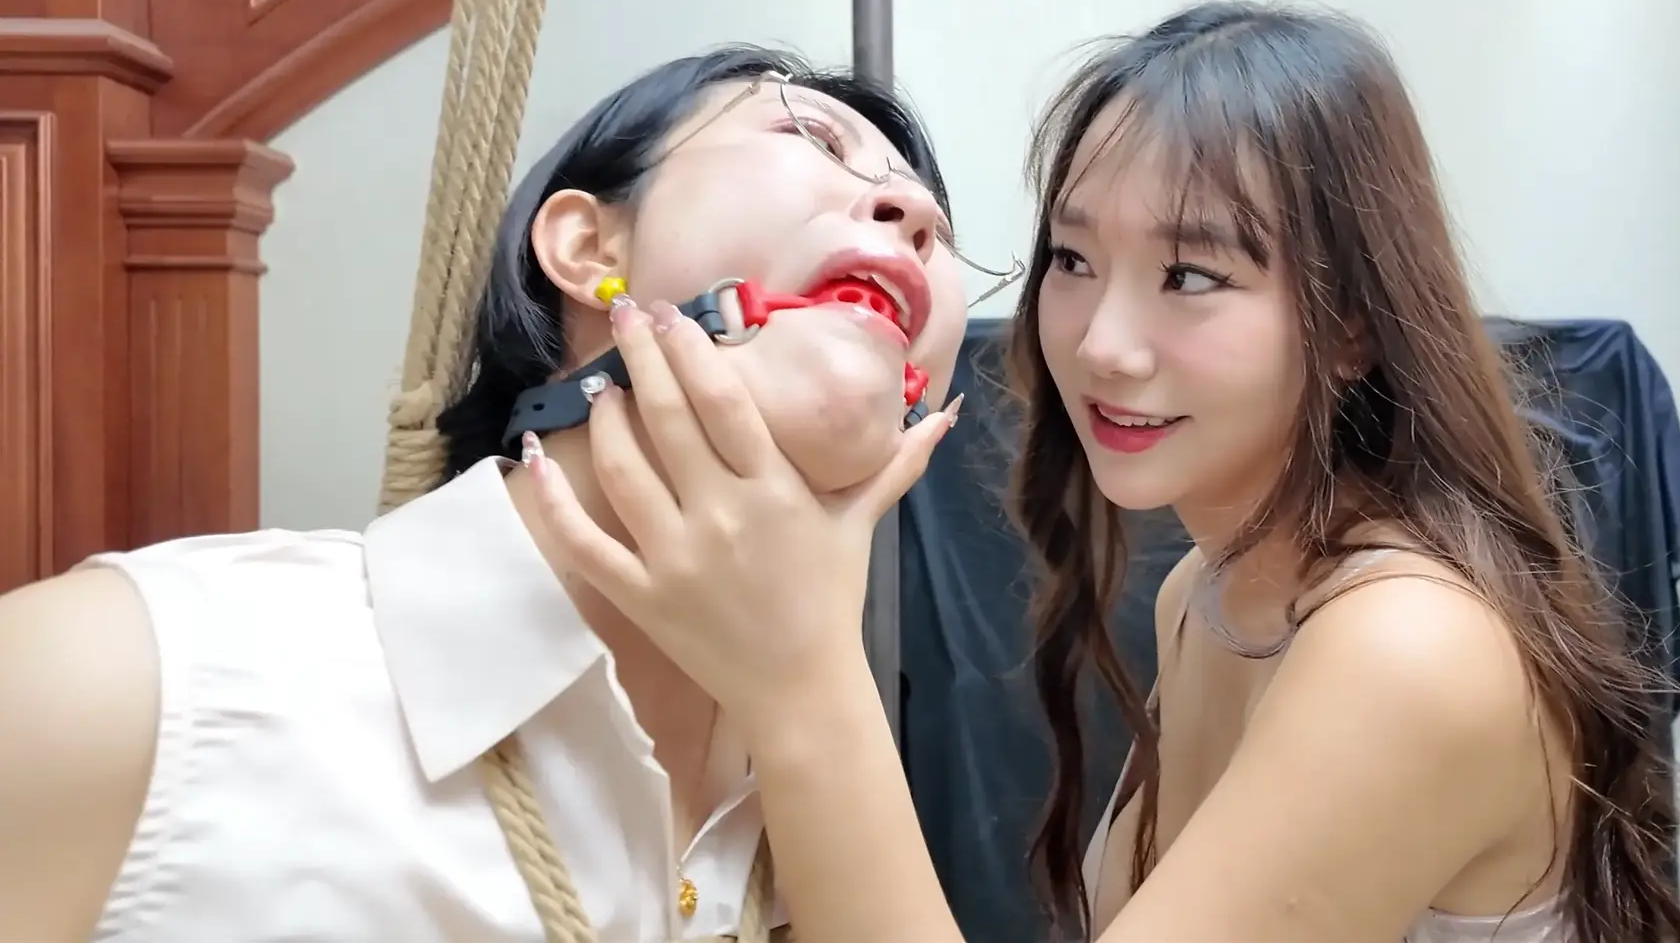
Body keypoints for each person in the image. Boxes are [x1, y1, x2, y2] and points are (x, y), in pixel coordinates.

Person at [529, 1, 1680, 943]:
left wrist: (801, 679)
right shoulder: (1209, 594)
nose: (1099, 345)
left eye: (1190, 276)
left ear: (1349, 326)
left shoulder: (1409, 647)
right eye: (1073, 259)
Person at [0, 46, 973, 943]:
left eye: (939, 222)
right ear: (588, 248)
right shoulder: (135, 682)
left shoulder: (822, 819)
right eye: (814, 139)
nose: (913, 214)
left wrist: (815, 708)